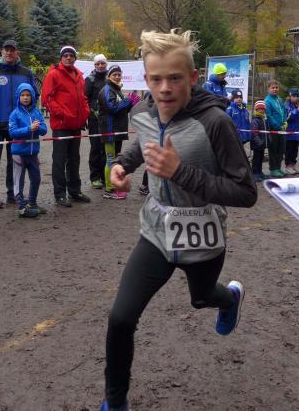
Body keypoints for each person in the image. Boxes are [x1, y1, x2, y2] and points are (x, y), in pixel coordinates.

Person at [101, 29, 257, 410]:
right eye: (156, 79)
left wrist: (180, 172)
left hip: (202, 235)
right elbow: (144, 143)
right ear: (146, 79)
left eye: (174, 78)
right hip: (156, 233)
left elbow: (246, 192)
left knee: (202, 298)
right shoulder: (143, 112)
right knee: (120, 318)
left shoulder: (216, 122)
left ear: (192, 77)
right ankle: (115, 403)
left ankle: (230, 298)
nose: (165, 88)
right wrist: (122, 164)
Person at [0, 39, 38, 208]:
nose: (9, 53)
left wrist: (26, 114)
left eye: (12, 50)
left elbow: (34, 94)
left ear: (17, 52)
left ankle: (13, 194)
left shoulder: (26, 73)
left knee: (15, 161)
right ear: (2, 51)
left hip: (17, 128)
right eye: (6, 50)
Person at [41, 45, 91, 207]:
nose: (68, 58)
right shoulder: (54, 74)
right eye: (66, 55)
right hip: (62, 125)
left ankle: (75, 191)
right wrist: (62, 114)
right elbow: (47, 98)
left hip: (76, 124)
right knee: (59, 160)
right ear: (61, 58)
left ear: (75, 58)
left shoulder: (79, 76)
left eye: (71, 55)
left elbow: (83, 98)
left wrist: (85, 113)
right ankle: (60, 194)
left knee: (74, 159)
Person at [8, 83, 48, 218]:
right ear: (18, 97)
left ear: (32, 97)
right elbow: (13, 132)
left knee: (36, 179)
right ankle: (21, 208)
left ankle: (32, 203)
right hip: (19, 154)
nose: (25, 98)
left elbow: (44, 130)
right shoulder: (14, 114)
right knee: (18, 181)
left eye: (28, 95)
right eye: (22, 95)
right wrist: (28, 129)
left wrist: (37, 128)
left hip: (33, 153)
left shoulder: (37, 112)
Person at [98, 65, 137, 200]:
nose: (117, 77)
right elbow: (112, 108)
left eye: (119, 74)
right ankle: (109, 190)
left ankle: (114, 187)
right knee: (110, 160)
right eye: (114, 74)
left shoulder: (116, 89)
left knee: (115, 159)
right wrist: (127, 101)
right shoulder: (107, 89)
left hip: (117, 130)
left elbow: (122, 110)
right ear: (108, 76)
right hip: (110, 131)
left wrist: (130, 104)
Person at [85, 54, 109, 189]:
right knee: (95, 147)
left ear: (106, 64)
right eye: (98, 63)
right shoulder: (90, 79)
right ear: (94, 65)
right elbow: (85, 98)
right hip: (94, 118)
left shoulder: (110, 78)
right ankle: (95, 177)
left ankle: (105, 176)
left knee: (106, 148)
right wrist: (91, 111)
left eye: (102, 63)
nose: (100, 66)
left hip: (108, 118)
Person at [264, 80, 286, 177]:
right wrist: (277, 126)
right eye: (272, 88)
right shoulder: (267, 101)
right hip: (273, 129)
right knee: (273, 149)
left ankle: (278, 167)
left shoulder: (280, 99)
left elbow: (284, 111)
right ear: (268, 89)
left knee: (281, 149)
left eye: (276, 87)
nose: (275, 89)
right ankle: (273, 169)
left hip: (282, 129)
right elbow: (269, 116)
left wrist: (285, 122)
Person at [283, 88, 299, 175]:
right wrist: (297, 111)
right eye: (294, 96)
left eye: (297, 96)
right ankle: (287, 166)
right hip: (289, 133)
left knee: (295, 150)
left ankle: (293, 165)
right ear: (290, 96)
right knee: (289, 150)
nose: (295, 98)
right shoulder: (287, 105)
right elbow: (288, 118)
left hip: (297, 132)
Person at [249, 100, 268, 182]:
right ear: (256, 109)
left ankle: (260, 172)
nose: (261, 110)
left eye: (263, 109)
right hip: (257, 144)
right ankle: (254, 173)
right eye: (260, 109)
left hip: (262, 143)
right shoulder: (255, 120)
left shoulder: (264, 119)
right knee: (256, 159)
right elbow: (254, 133)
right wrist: (259, 142)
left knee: (261, 158)